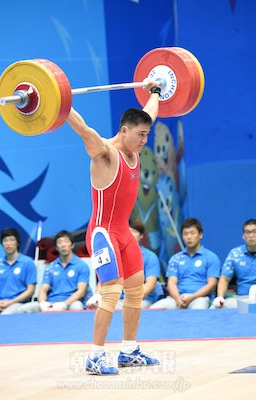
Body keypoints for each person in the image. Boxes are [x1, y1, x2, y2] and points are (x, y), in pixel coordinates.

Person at [67, 81, 161, 375]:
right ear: (124, 130)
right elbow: (83, 129)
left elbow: (148, 113)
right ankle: (95, 356)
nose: (145, 139)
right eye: (140, 134)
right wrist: (60, 101)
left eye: (147, 134)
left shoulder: (136, 143)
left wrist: (156, 92)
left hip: (123, 233)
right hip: (103, 233)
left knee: (135, 291)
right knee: (111, 291)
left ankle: (129, 350)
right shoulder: (105, 152)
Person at [87, 219, 164, 310]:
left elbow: (150, 284)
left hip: (142, 300)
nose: (130, 234)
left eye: (134, 231)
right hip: (117, 300)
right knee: (96, 307)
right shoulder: (113, 255)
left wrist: (131, 300)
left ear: (142, 235)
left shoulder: (150, 257)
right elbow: (105, 280)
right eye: (127, 231)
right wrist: (97, 295)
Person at [150, 218, 221, 310]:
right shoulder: (175, 258)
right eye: (185, 234)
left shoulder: (211, 257)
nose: (189, 237)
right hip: (176, 298)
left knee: (198, 312)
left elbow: (212, 285)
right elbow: (171, 283)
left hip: (200, 298)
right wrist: (178, 298)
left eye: (192, 233)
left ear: (200, 235)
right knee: (152, 311)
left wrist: (191, 298)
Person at [37, 230, 92, 312]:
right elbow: (43, 290)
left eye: (66, 241)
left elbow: (81, 291)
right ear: (56, 247)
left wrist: (64, 304)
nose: (63, 245)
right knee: (28, 308)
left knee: (77, 307)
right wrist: (43, 303)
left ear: (72, 245)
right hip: (52, 302)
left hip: (72, 302)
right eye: (60, 242)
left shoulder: (81, 265)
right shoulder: (50, 267)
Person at [0, 228, 37, 315]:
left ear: (17, 243)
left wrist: (10, 302)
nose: (8, 243)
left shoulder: (27, 262)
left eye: (11, 240)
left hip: (18, 303)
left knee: (5, 316)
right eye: (5, 240)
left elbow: (31, 290)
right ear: (2, 244)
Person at [212, 219, 256, 309]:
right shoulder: (235, 254)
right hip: (242, 298)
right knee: (222, 306)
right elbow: (224, 279)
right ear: (243, 236)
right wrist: (220, 297)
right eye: (247, 232)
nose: (251, 235)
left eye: (254, 232)